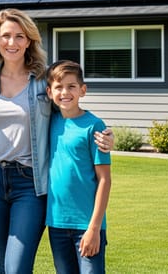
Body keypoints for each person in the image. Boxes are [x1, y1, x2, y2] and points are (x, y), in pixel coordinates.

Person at [0, 9, 114, 274]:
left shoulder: (43, 81)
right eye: (5, 36)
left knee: (16, 268)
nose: (12, 42)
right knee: (2, 267)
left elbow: (72, 111)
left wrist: (107, 134)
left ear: (29, 40)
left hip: (29, 183)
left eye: (19, 36)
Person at [44, 60, 112, 274]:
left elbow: (104, 180)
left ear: (83, 90)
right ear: (49, 92)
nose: (65, 92)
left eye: (71, 86)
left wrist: (94, 228)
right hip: (56, 223)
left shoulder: (94, 126)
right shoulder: (48, 121)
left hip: (87, 225)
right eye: (58, 87)